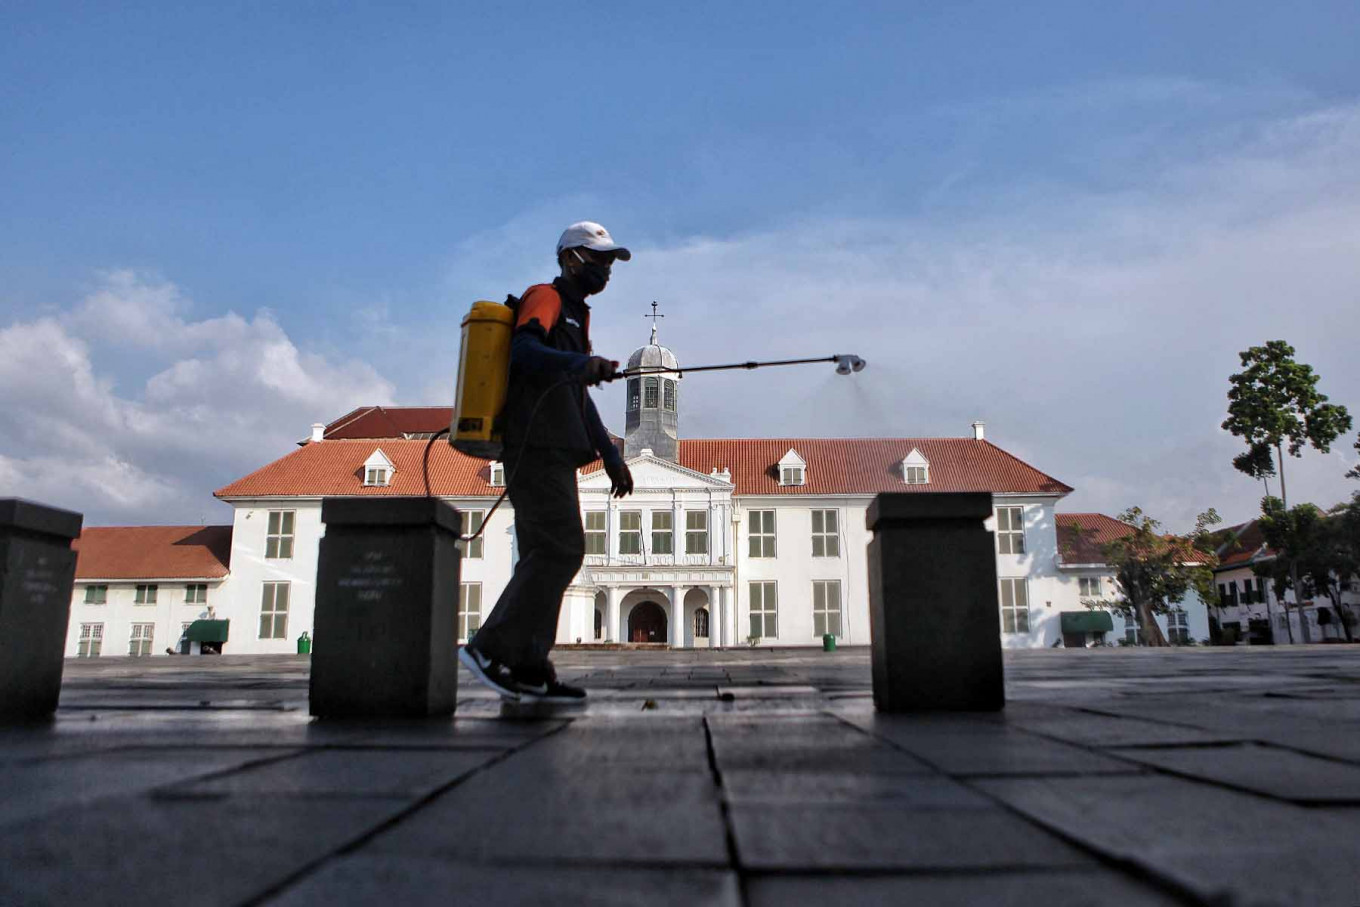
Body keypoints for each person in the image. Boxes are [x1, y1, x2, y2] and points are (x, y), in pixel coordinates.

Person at [458, 221, 635, 703]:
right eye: (597, 259)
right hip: (533, 445)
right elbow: (525, 350)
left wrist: (611, 454)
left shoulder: (578, 319)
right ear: (569, 259)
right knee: (561, 550)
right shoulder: (546, 297)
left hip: (554, 450)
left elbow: (578, 395)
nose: (605, 269)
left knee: (549, 552)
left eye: (610, 262)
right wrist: (580, 365)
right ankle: (491, 647)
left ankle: (530, 667)